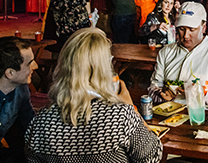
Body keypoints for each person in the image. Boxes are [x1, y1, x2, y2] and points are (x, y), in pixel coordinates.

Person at [25, 28, 163, 163]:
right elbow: (152, 156)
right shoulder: (121, 116)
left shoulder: (40, 122)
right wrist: (131, 107)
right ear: (104, 67)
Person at [148, 2, 208, 109]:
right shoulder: (166, 52)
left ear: (203, 27)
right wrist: (161, 95)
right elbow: (153, 88)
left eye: (192, 30)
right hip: (170, 117)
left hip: (206, 118)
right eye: (182, 29)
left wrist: (205, 93)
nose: (186, 36)